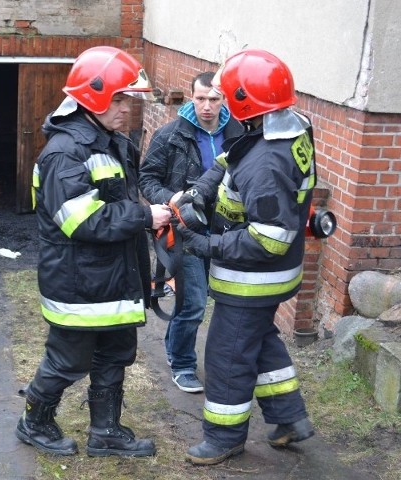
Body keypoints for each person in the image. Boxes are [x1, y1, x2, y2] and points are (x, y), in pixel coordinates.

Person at [15, 46, 172, 457]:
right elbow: (81, 222)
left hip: (113, 278)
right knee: (67, 362)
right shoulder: (65, 153)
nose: (127, 109)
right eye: (120, 99)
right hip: (79, 282)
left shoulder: (110, 141)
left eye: (129, 99)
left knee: (116, 353)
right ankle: (34, 421)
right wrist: (143, 216)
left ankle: (106, 432)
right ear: (94, 96)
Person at [175, 49, 317, 465]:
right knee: (259, 340)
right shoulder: (286, 125)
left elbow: (267, 239)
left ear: (241, 102)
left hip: (253, 275)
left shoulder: (266, 164)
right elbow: (233, 157)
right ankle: (290, 419)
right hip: (278, 273)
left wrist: (206, 245)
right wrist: (201, 188)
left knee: (228, 355)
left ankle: (223, 437)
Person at [139, 72, 243, 394]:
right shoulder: (170, 135)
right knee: (194, 302)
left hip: (225, 230)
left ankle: (174, 347)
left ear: (223, 100)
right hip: (181, 230)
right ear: (190, 97)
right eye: (200, 99)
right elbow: (147, 179)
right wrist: (168, 199)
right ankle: (182, 363)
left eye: (214, 99)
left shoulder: (239, 135)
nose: (207, 106)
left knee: (217, 301)